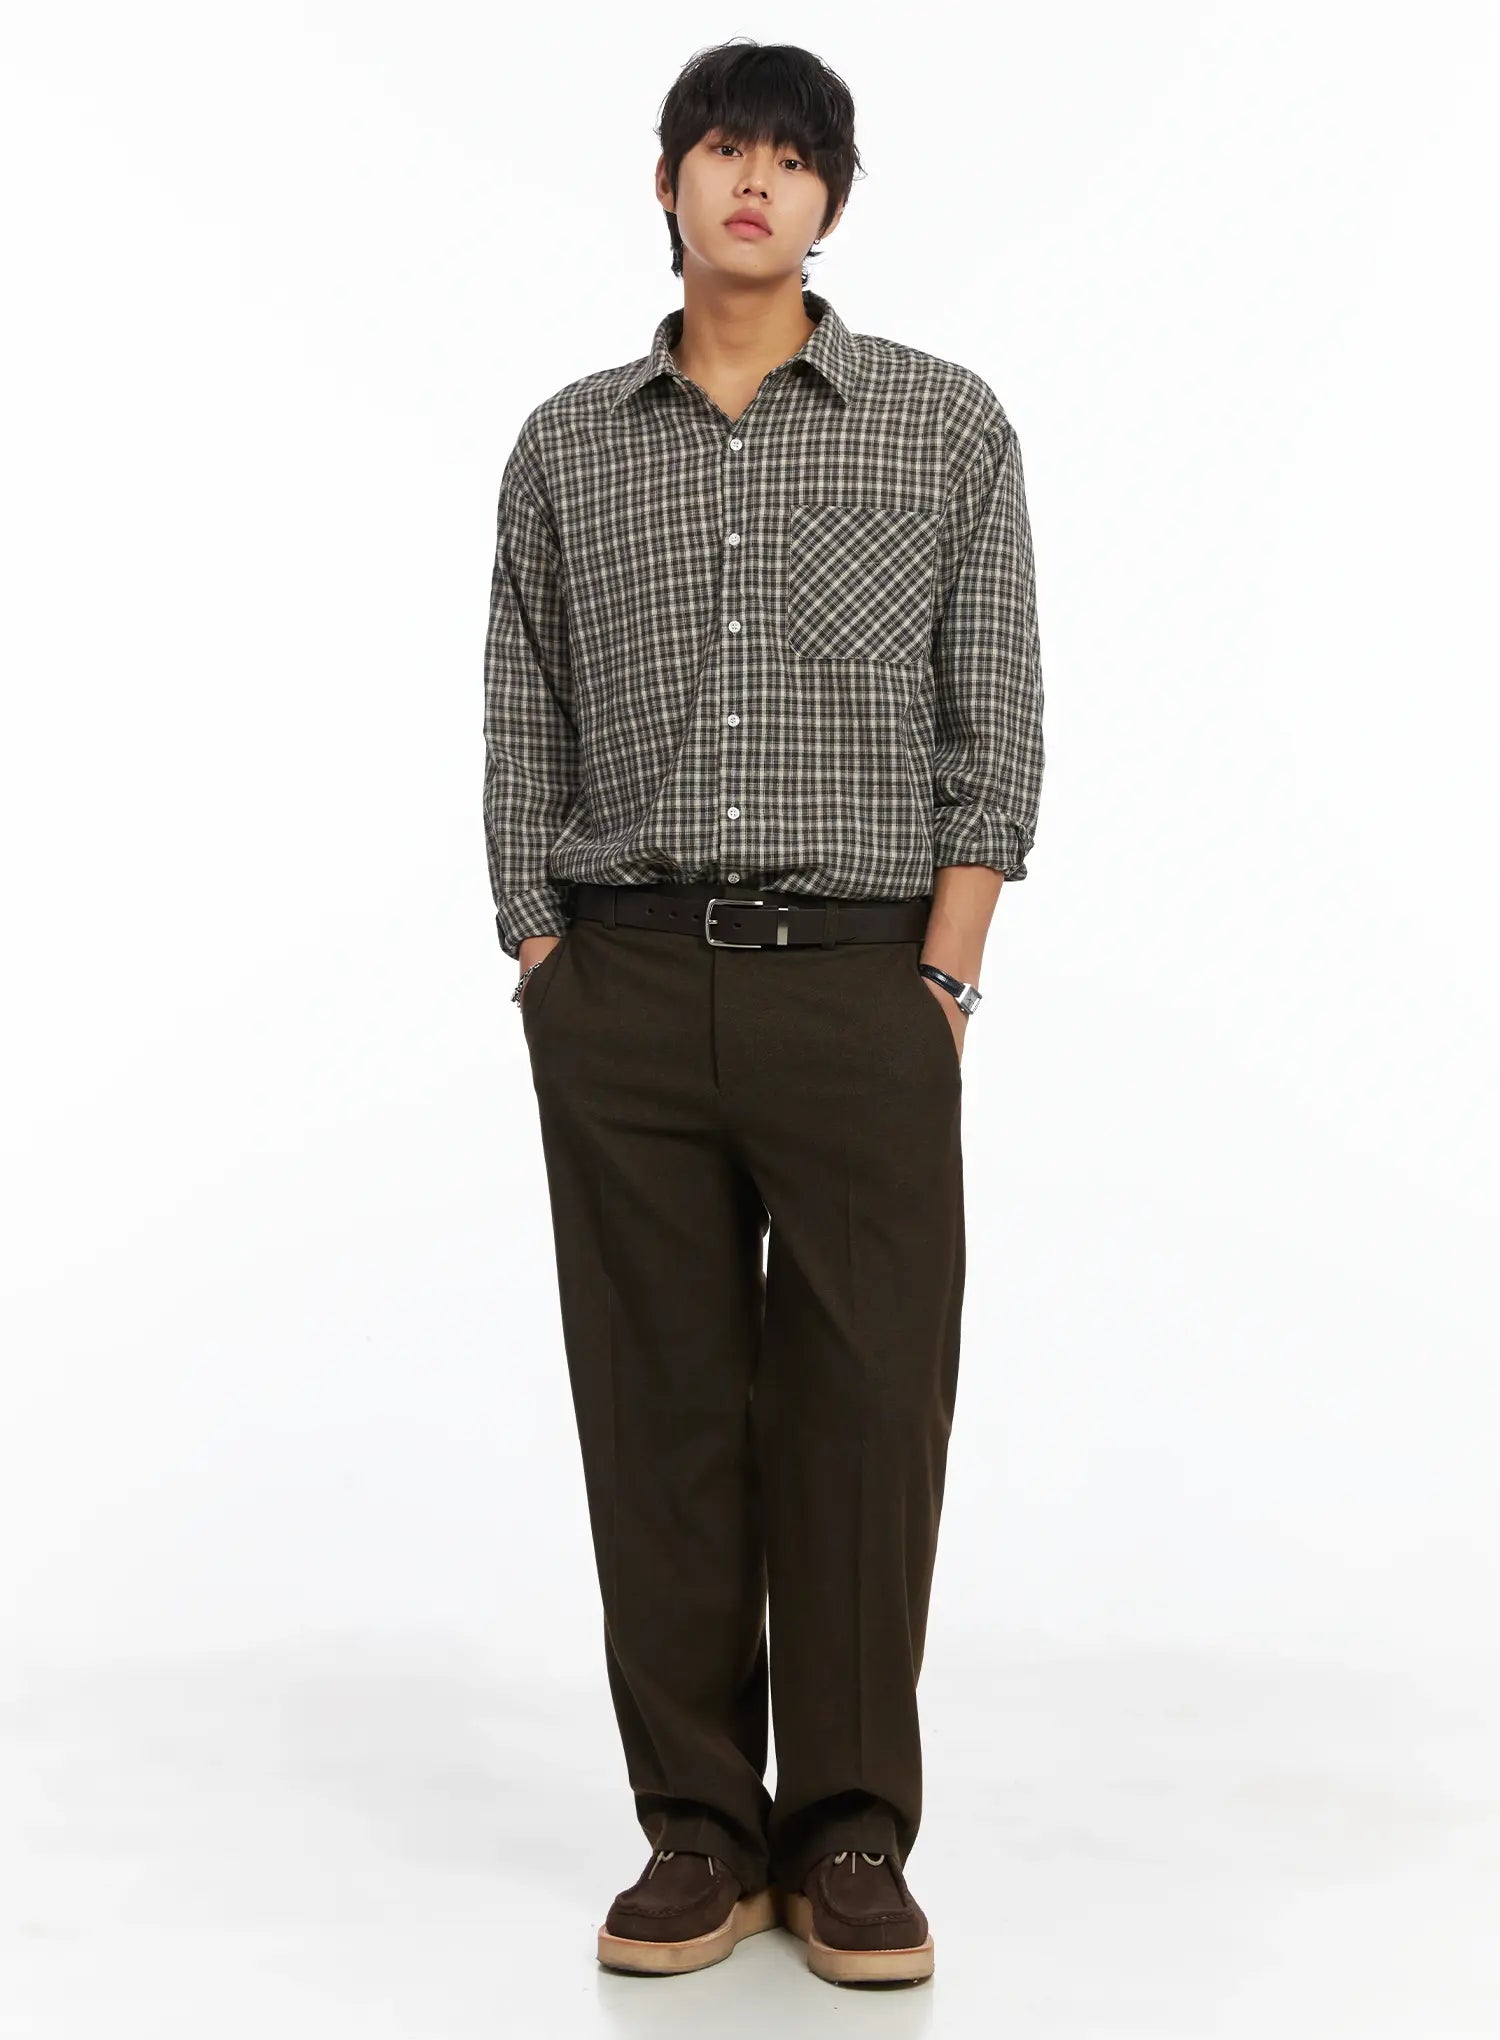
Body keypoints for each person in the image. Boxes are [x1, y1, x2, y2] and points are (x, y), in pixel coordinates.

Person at [481, 37, 1044, 1988]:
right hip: (622, 986)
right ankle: (701, 1833)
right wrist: (543, 952)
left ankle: (852, 1832)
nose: (754, 180)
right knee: (659, 1412)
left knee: (869, 1412)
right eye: (722, 147)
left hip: (864, 983)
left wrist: (945, 975)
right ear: (667, 182)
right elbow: (520, 713)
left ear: (830, 201)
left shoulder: (943, 424)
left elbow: (997, 719)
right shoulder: (568, 444)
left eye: (793, 158)